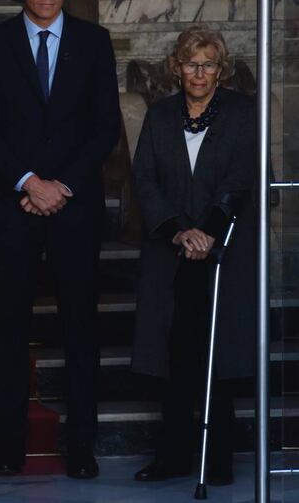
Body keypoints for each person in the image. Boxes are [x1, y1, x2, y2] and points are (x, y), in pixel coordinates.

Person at [0, 0, 121, 479]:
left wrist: (61, 185)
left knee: (81, 329)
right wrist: (29, 182)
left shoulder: (94, 42)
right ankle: (9, 445)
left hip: (74, 207)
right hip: (13, 206)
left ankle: (82, 446)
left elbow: (106, 127)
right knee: (9, 329)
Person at [132, 25, 255, 486]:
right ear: (176, 67)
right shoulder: (160, 116)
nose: (198, 72)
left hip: (224, 253)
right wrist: (181, 233)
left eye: (208, 64)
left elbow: (244, 178)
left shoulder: (243, 114)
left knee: (218, 354)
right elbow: (145, 180)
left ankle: (217, 456)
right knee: (177, 355)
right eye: (190, 63)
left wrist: (208, 232)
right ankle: (172, 455)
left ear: (221, 71)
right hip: (173, 253)